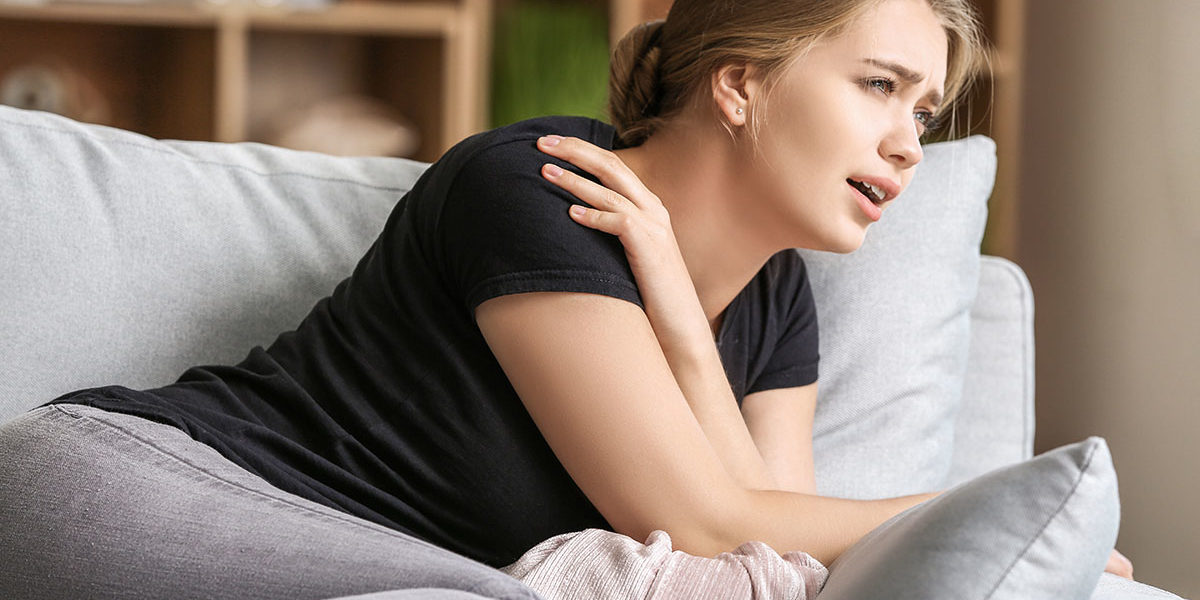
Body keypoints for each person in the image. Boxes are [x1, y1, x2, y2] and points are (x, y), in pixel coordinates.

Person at [0, 0, 1133, 597]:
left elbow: (771, 551)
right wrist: (998, 508)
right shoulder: (545, 185)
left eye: (924, 111)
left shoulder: (780, 294)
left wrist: (683, 323)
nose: (908, 143)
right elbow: (709, 525)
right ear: (741, 84)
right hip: (128, 490)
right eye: (880, 85)